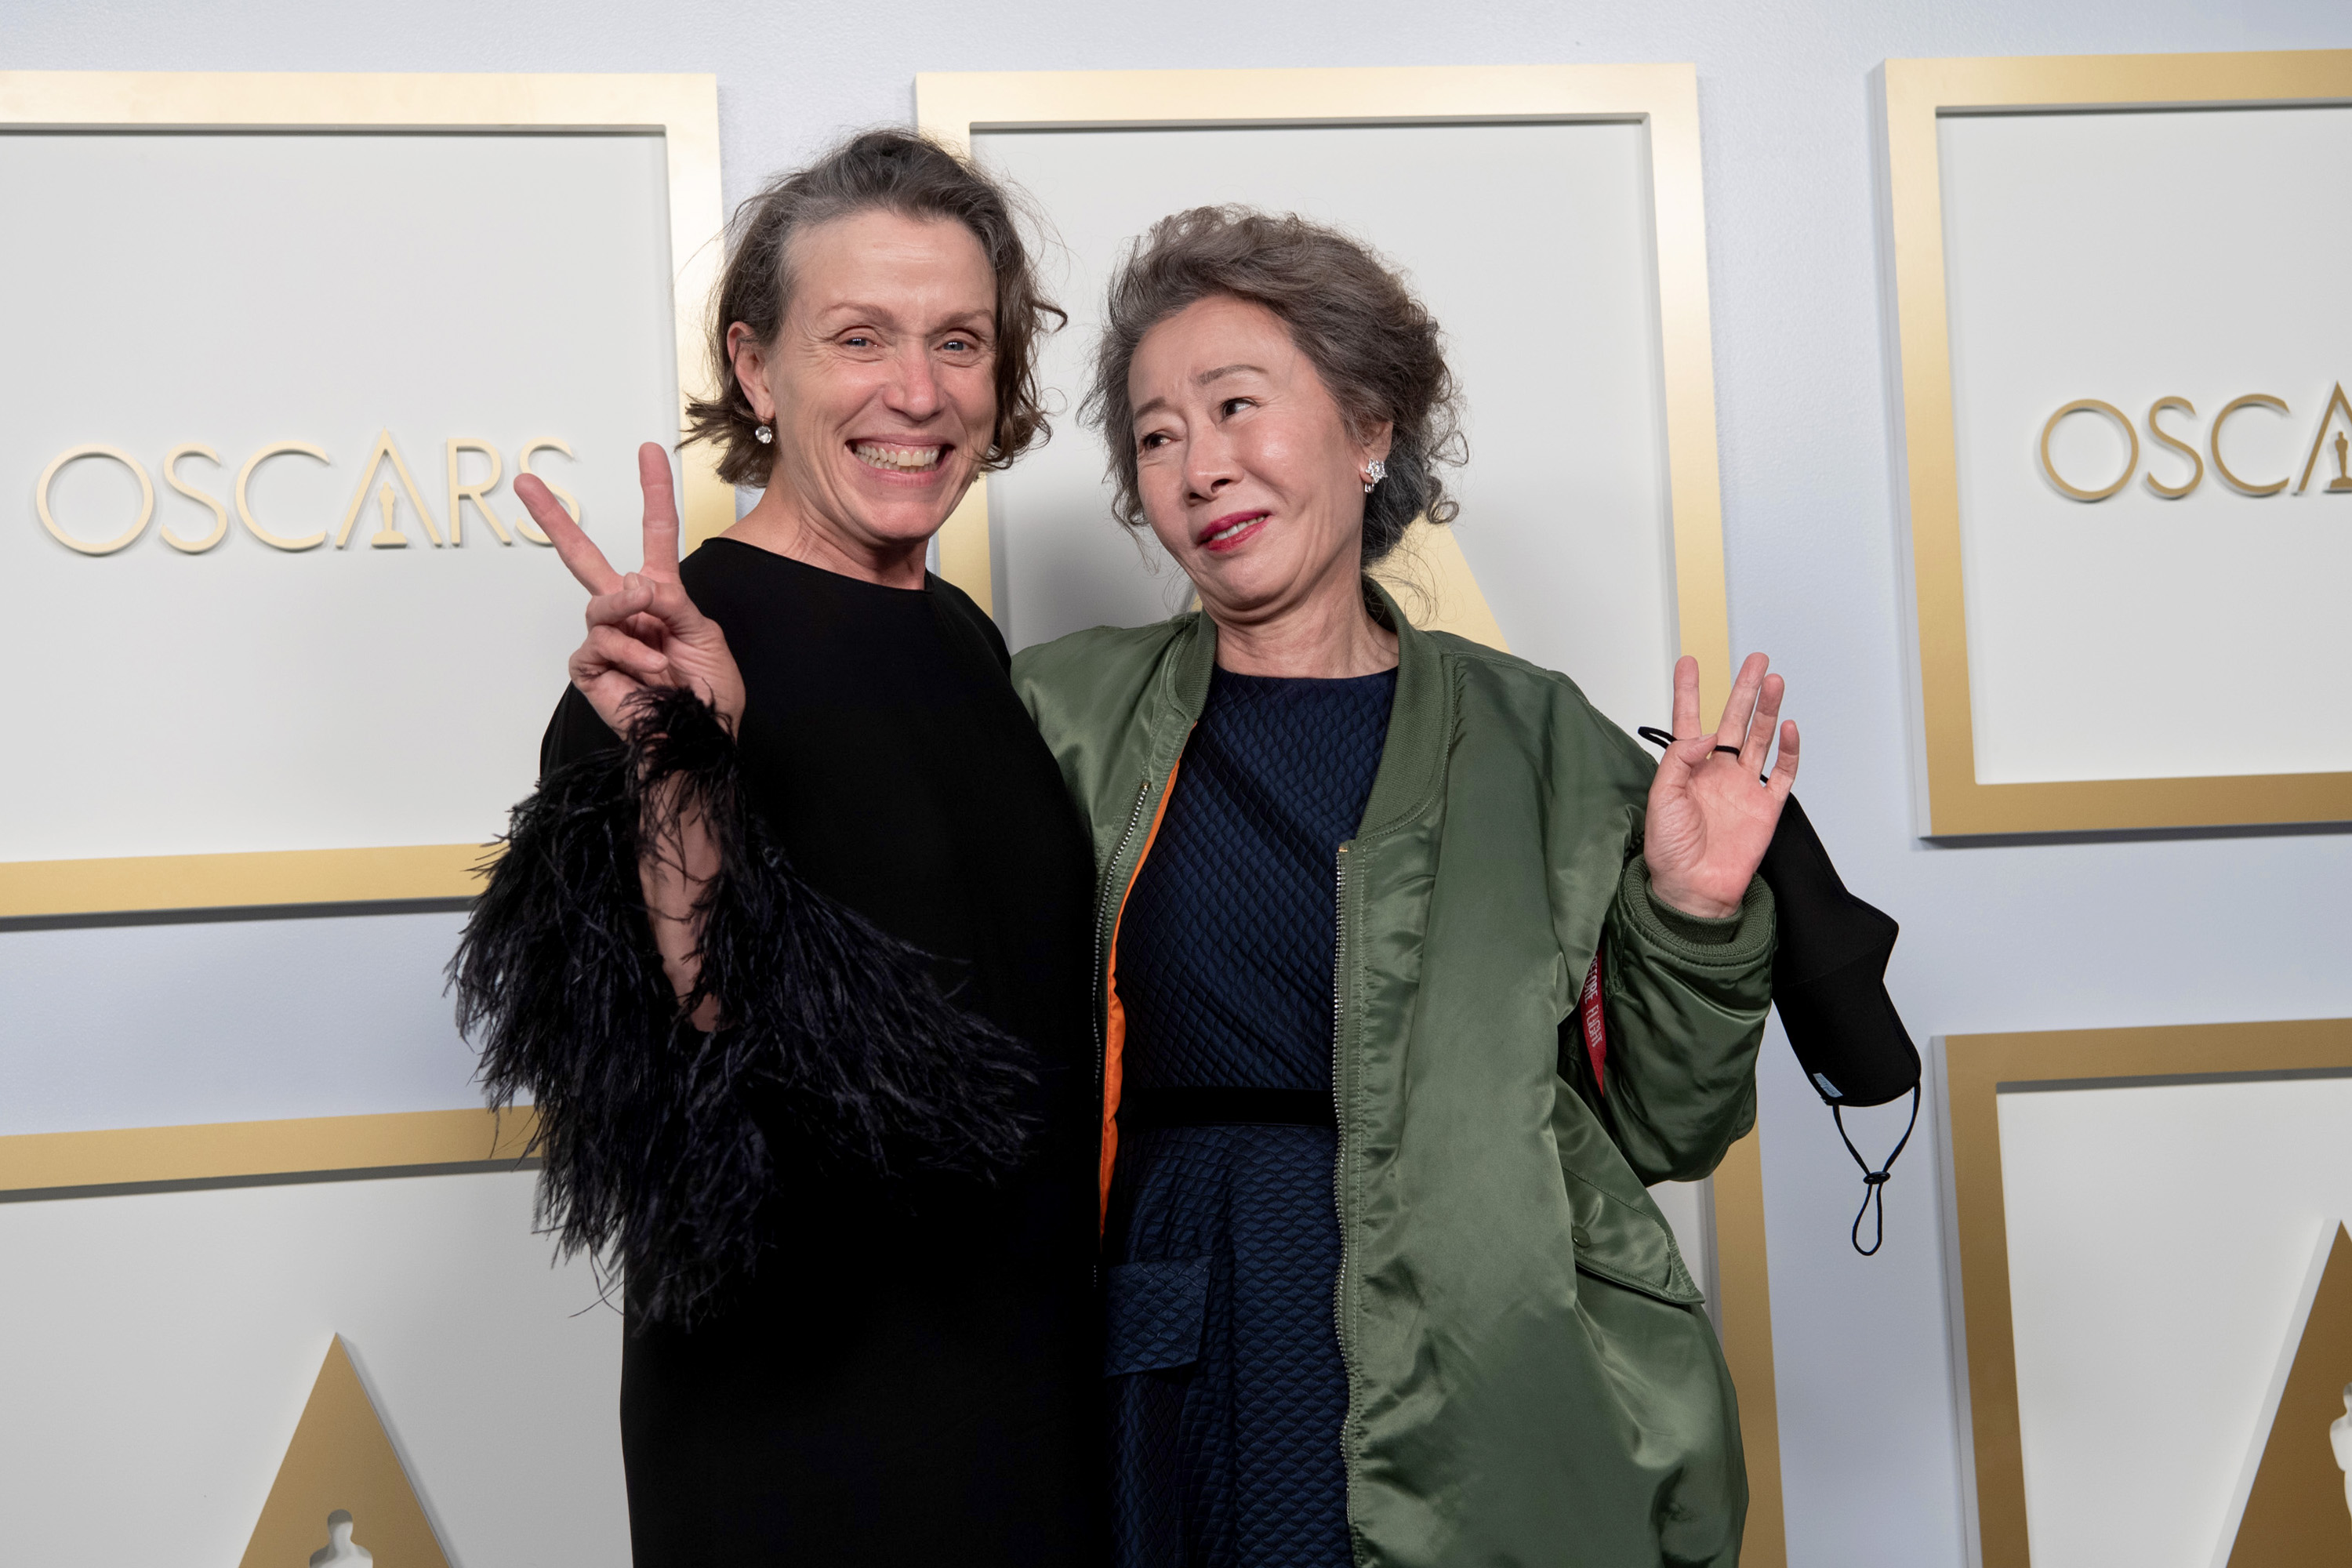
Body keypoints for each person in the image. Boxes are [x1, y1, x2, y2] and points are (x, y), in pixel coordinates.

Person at [1007, 207, 1795, 1567]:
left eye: (1236, 405)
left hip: (1483, 1340)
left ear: (1368, 427)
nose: (1199, 466)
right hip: (1186, 1315)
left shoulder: (1542, 738)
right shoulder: (1063, 714)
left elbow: (1668, 1125)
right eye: (1155, 435)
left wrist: (1696, 914)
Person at [451, 129, 1105, 1566]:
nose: (917, 393)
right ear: (756, 367)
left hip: (1030, 1407)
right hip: (804, 1434)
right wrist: (688, 773)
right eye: (858, 338)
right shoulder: (662, 664)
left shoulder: (966, 641)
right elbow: (680, 1098)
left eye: (958, 342)